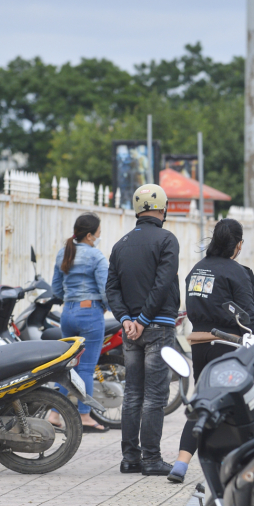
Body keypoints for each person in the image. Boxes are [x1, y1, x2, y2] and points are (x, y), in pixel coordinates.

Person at [168, 219, 254, 483]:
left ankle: (181, 465)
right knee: (236, 406)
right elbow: (250, 317)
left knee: (203, 402)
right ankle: (236, 468)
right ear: (238, 244)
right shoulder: (236, 272)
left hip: (198, 345)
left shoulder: (198, 269)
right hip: (227, 345)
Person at [106, 184, 180, 476]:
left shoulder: (121, 244)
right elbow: (163, 284)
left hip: (130, 332)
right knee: (155, 396)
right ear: (162, 209)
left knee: (133, 394)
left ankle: (130, 459)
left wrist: (126, 319)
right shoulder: (167, 240)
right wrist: (144, 319)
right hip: (157, 327)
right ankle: (151, 459)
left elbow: (112, 288)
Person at [52, 212, 110, 432]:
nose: (98, 237)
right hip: (90, 313)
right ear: (89, 235)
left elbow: (57, 288)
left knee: (67, 365)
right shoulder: (96, 257)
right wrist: (109, 308)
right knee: (85, 367)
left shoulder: (63, 253)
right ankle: (85, 415)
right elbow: (106, 289)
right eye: (98, 233)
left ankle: (54, 413)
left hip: (67, 313)